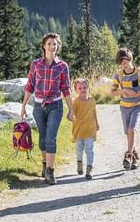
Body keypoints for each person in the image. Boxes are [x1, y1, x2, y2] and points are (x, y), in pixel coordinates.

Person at [21, 32, 74, 185]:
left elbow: (66, 88)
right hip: (38, 106)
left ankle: (50, 171)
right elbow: (29, 85)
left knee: (51, 137)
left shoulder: (62, 66)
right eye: (49, 43)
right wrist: (23, 106)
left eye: (55, 44)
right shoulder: (35, 64)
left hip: (55, 105)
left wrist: (71, 109)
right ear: (44, 46)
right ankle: (45, 163)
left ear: (57, 47)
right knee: (43, 139)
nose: (52, 46)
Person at [111, 48, 140, 170]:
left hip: (137, 106)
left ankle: (128, 155)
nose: (123, 61)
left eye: (125, 59)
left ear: (130, 59)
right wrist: (123, 91)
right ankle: (134, 157)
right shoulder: (119, 75)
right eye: (121, 60)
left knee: (132, 129)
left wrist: (135, 94)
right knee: (128, 133)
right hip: (124, 107)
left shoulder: (138, 72)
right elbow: (112, 92)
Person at [71, 78, 99, 180]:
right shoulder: (76, 102)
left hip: (90, 129)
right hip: (79, 129)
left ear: (88, 88)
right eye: (80, 88)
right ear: (76, 90)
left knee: (89, 149)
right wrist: (71, 116)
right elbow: (72, 113)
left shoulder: (92, 100)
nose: (82, 90)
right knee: (79, 149)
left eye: (84, 87)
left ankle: (89, 168)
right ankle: (79, 163)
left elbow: (94, 112)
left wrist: (97, 123)